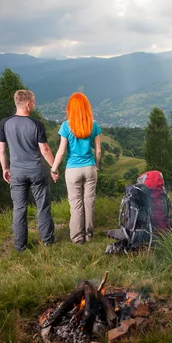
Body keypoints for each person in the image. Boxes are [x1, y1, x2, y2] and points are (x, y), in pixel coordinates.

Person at [0, 89, 57, 252]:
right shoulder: (36, 124)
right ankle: (48, 241)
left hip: (17, 173)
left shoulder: (5, 123)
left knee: (19, 209)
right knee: (42, 206)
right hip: (37, 171)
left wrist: (5, 168)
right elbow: (44, 149)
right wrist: (54, 167)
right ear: (28, 104)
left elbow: (1, 150)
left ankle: (19, 246)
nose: (34, 105)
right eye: (34, 102)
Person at [51, 92, 102, 244]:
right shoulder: (93, 125)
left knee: (76, 204)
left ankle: (77, 238)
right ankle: (89, 235)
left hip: (72, 170)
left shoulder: (66, 126)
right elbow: (98, 150)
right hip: (90, 168)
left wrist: (54, 169)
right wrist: (96, 165)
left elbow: (61, 151)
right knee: (89, 202)